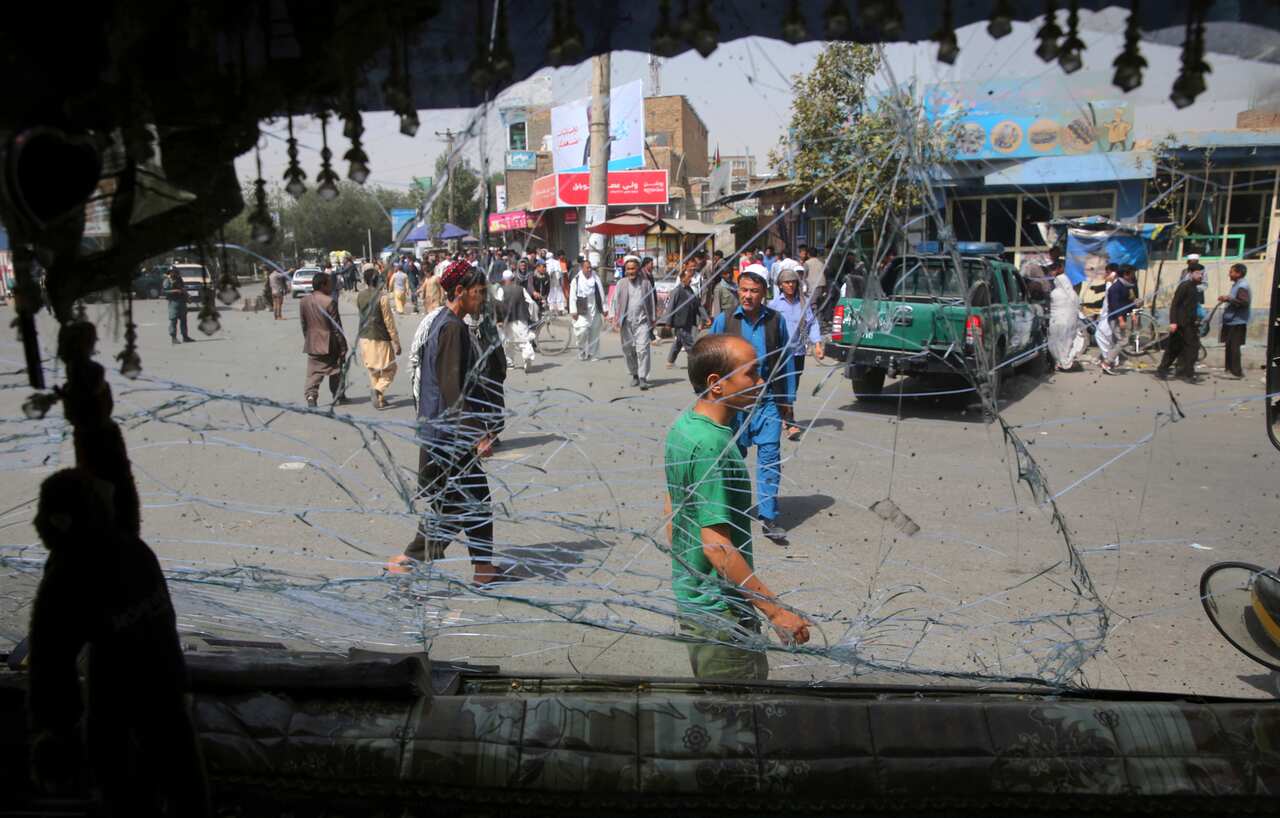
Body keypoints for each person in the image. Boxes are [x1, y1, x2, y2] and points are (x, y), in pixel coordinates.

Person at [664, 333, 812, 680]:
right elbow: (716, 546)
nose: (760, 381)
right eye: (751, 373)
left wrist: (692, 579)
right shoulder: (713, 446)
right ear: (716, 384)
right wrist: (776, 612)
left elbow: (673, 509)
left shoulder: (684, 427)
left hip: (695, 598)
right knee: (739, 707)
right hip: (721, 614)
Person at [388, 261, 502, 585]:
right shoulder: (452, 328)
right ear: (460, 291)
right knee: (463, 505)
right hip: (450, 436)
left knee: (465, 503)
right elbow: (452, 388)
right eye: (478, 293)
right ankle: (409, 560)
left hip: (442, 431)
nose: (482, 299)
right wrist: (477, 435)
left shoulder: (442, 321)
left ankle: (482, 568)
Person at [710, 270, 793, 543]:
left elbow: (786, 360)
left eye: (754, 291)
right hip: (733, 404)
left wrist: (787, 401)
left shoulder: (776, 321)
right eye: (743, 290)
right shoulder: (724, 321)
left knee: (770, 456)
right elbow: (707, 356)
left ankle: (768, 517)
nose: (747, 296)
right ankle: (727, 512)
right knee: (732, 458)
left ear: (763, 294)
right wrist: (708, 396)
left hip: (767, 401)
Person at [769, 267, 824, 439]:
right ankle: (789, 420)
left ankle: (784, 415)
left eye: (793, 282)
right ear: (780, 285)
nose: (790, 285)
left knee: (794, 386)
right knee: (785, 386)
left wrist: (817, 344)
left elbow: (812, 323)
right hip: (780, 354)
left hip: (798, 352)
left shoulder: (803, 302)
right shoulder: (774, 305)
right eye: (786, 282)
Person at [299, 271, 348, 407]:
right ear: (322, 285)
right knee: (336, 369)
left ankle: (311, 396)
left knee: (313, 371)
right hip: (329, 343)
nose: (331, 286)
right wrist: (343, 346)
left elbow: (304, 324)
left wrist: (308, 338)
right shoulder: (329, 302)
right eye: (329, 284)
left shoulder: (304, 301)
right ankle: (338, 395)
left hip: (313, 342)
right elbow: (336, 327)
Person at [356, 268, 401, 410]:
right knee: (390, 368)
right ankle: (378, 390)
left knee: (373, 370)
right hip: (380, 338)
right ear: (377, 280)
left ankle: (380, 399)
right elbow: (389, 322)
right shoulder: (382, 297)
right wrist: (396, 342)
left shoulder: (360, 296)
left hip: (364, 337)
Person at [614, 257, 657, 389]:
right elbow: (615, 301)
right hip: (626, 323)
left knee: (642, 350)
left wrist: (653, 318)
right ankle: (635, 375)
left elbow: (651, 301)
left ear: (638, 269)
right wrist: (614, 317)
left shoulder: (646, 284)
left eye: (633, 268)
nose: (631, 271)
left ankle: (643, 377)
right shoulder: (621, 283)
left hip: (642, 322)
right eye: (628, 269)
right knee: (628, 350)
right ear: (625, 270)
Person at [1157, 263, 1204, 382]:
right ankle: (1164, 370)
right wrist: (1173, 322)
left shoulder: (1195, 287)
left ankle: (1186, 372)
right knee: (1176, 348)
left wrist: (1197, 319)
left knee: (1190, 348)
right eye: (1198, 273)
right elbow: (1175, 304)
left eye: (1202, 274)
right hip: (1181, 323)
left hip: (1190, 323)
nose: (1200, 276)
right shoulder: (1184, 286)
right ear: (1190, 273)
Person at [662, 258, 710, 369]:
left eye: (691, 278)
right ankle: (696, 363)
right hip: (680, 321)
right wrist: (668, 322)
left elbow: (698, 305)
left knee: (679, 342)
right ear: (682, 278)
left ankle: (670, 361)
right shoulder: (677, 291)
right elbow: (671, 307)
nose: (690, 279)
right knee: (689, 344)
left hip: (689, 320)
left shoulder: (690, 290)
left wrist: (705, 317)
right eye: (688, 278)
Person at [496, 269, 537, 371]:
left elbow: (498, 305)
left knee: (507, 342)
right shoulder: (521, 289)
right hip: (521, 319)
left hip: (507, 321)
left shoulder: (501, 290)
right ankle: (527, 358)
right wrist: (531, 316)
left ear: (504, 280)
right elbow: (531, 303)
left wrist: (499, 320)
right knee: (524, 341)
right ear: (513, 279)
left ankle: (510, 363)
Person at [569, 256, 606, 361]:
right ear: (582, 268)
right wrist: (573, 311)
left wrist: (604, 308)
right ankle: (581, 350)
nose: (589, 269)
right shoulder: (576, 280)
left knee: (594, 332)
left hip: (594, 307)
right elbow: (572, 296)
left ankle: (592, 354)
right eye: (587, 268)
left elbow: (601, 293)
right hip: (582, 309)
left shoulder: (596, 278)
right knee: (582, 331)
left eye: (590, 267)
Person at [1218, 262, 1251, 379]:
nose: (1229, 274)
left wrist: (1229, 299)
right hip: (1231, 321)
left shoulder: (1242, 286)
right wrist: (1228, 299)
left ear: (1238, 273)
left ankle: (1236, 372)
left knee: (1234, 347)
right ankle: (1229, 370)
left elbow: (1244, 303)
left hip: (1237, 322)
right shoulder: (1237, 285)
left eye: (1231, 272)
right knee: (1229, 346)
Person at [1048, 273, 1085, 371]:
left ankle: (1060, 362)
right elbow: (1077, 307)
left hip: (1057, 321)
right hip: (1070, 322)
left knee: (1056, 343)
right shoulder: (1074, 294)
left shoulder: (1054, 293)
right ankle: (1065, 361)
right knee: (1067, 343)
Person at [1094, 266, 1120, 374]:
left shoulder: (1117, 285)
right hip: (1105, 314)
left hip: (1111, 315)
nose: (1106, 275)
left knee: (1101, 336)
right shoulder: (1109, 284)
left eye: (1108, 273)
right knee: (1106, 337)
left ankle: (1109, 360)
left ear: (1114, 273)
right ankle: (1111, 360)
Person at [163, 267, 192, 343]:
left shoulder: (179, 279)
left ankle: (185, 337)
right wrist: (175, 291)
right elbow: (164, 291)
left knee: (183, 320)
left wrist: (188, 297)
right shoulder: (167, 281)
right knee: (173, 320)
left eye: (174, 272)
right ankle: (174, 338)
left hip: (182, 302)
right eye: (172, 272)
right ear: (169, 273)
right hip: (173, 302)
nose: (173, 273)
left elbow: (183, 289)